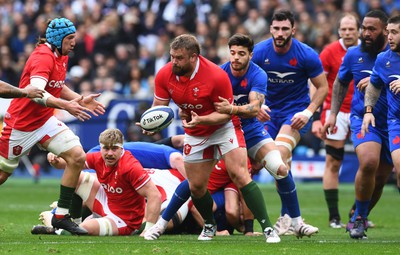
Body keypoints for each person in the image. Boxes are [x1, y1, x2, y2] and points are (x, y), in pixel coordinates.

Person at [140, 34, 279, 243]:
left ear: (194, 57)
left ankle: (269, 229)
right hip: (196, 132)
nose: (173, 62)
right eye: (172, 57)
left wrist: (201, 120)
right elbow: (159, 106)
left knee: (240, 175)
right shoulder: (164, 74)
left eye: (179, 58)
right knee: (196, 186)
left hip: (225, 128)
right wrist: (150, 125)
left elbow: (225, 113)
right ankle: (209, 224)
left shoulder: (216, 76)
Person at [0, 17, 105, 235]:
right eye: (70, 38)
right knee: (2, 176)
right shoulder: (42, 57)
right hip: (21, 124)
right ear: (58, 39)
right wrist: (67, 106)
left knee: (77, 157)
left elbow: (57, 86)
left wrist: (80, 98)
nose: (74, 42)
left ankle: (60, 216)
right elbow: (38, 94)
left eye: (74, 38)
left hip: (44, 120)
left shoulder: (61, 55)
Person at [215, 33, 319, 238]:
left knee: (280, 167)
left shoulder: (259, 74)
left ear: (250, 55)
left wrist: (233, 109)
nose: (235, 57)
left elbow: (254, 108)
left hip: (251, 130)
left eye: (241, 54)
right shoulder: (219, 74)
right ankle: (160, 224)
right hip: (223, 131)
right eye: (232, 53)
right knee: (197, 180)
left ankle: (296, 222)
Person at [251, 10, 328, 236]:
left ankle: (292, 219)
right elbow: (246, 83)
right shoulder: (259, 53)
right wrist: (257, 106)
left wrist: (308, 111)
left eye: (285, 29)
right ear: (270, 29)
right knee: (278, 164)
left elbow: (322, 87)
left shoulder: (306, 55)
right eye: (276, 28)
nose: (280, 33)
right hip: (267, 113)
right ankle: (288, 220)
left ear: (293, 30)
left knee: (279, 154)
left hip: (295, 113)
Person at [322, 10, 393, 239]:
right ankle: (360, 219)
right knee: (369, 162)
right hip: (363, 118)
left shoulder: (393, 55)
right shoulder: (354, 54)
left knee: (381, 178)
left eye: (372, 29)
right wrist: (332, 114)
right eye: (364, 28)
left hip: (392, 121)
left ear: (386, 31)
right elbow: (340, 83)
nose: (366, 33)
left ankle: (358, 213)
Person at [32, 128, 161, 236]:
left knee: (87, 228)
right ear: (100, 148)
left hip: (124, 220)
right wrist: (55, 160)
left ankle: (55, 226)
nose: (109, 153)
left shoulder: (130, 166)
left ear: (122, 149)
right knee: (77, 175)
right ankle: (74, 224)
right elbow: (66, 165)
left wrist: (149, 229)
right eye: (106, 148)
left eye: (114, 148)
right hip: (107, 203)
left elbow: (154, 195)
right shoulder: (98, 157)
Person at [311, 13, 360, 228]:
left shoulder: (369, 50)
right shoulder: (330, 52)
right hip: (335, 112)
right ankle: (334, 217)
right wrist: (316, 116)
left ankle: (358, 212)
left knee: (370, 163)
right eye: (344, 29)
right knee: (333, 162)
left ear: (358, 30)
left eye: (352, 29)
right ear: (339, 31)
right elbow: (317, 83)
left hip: (362, 111)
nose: (348, 33)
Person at [360, 14, 400, 235]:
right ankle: (359, 217)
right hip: (397, 122)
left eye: (394, 32)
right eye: (388, 32)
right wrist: (368, 111)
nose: (389, 36)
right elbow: (374, 85)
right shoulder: (384, 59)